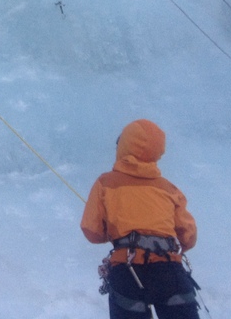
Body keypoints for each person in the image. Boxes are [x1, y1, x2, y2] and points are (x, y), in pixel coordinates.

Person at [80, 119, 201, 319]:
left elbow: (91, 230)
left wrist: (116, 233)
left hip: (128, 271)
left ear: (123, 146)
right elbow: (188, 236)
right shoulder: (168, 188)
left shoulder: (105, 183)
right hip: (170, 270)